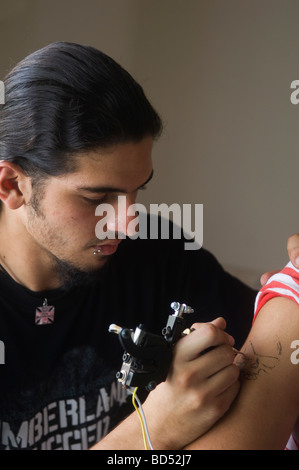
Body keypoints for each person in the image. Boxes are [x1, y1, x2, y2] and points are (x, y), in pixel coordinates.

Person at [0, 41, 289, 451]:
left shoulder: (158, 253)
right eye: (96, 197)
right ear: (12, 185)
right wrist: (155, 427)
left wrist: (285, 294)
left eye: (137, 190)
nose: (127, 223)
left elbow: (270, 349)